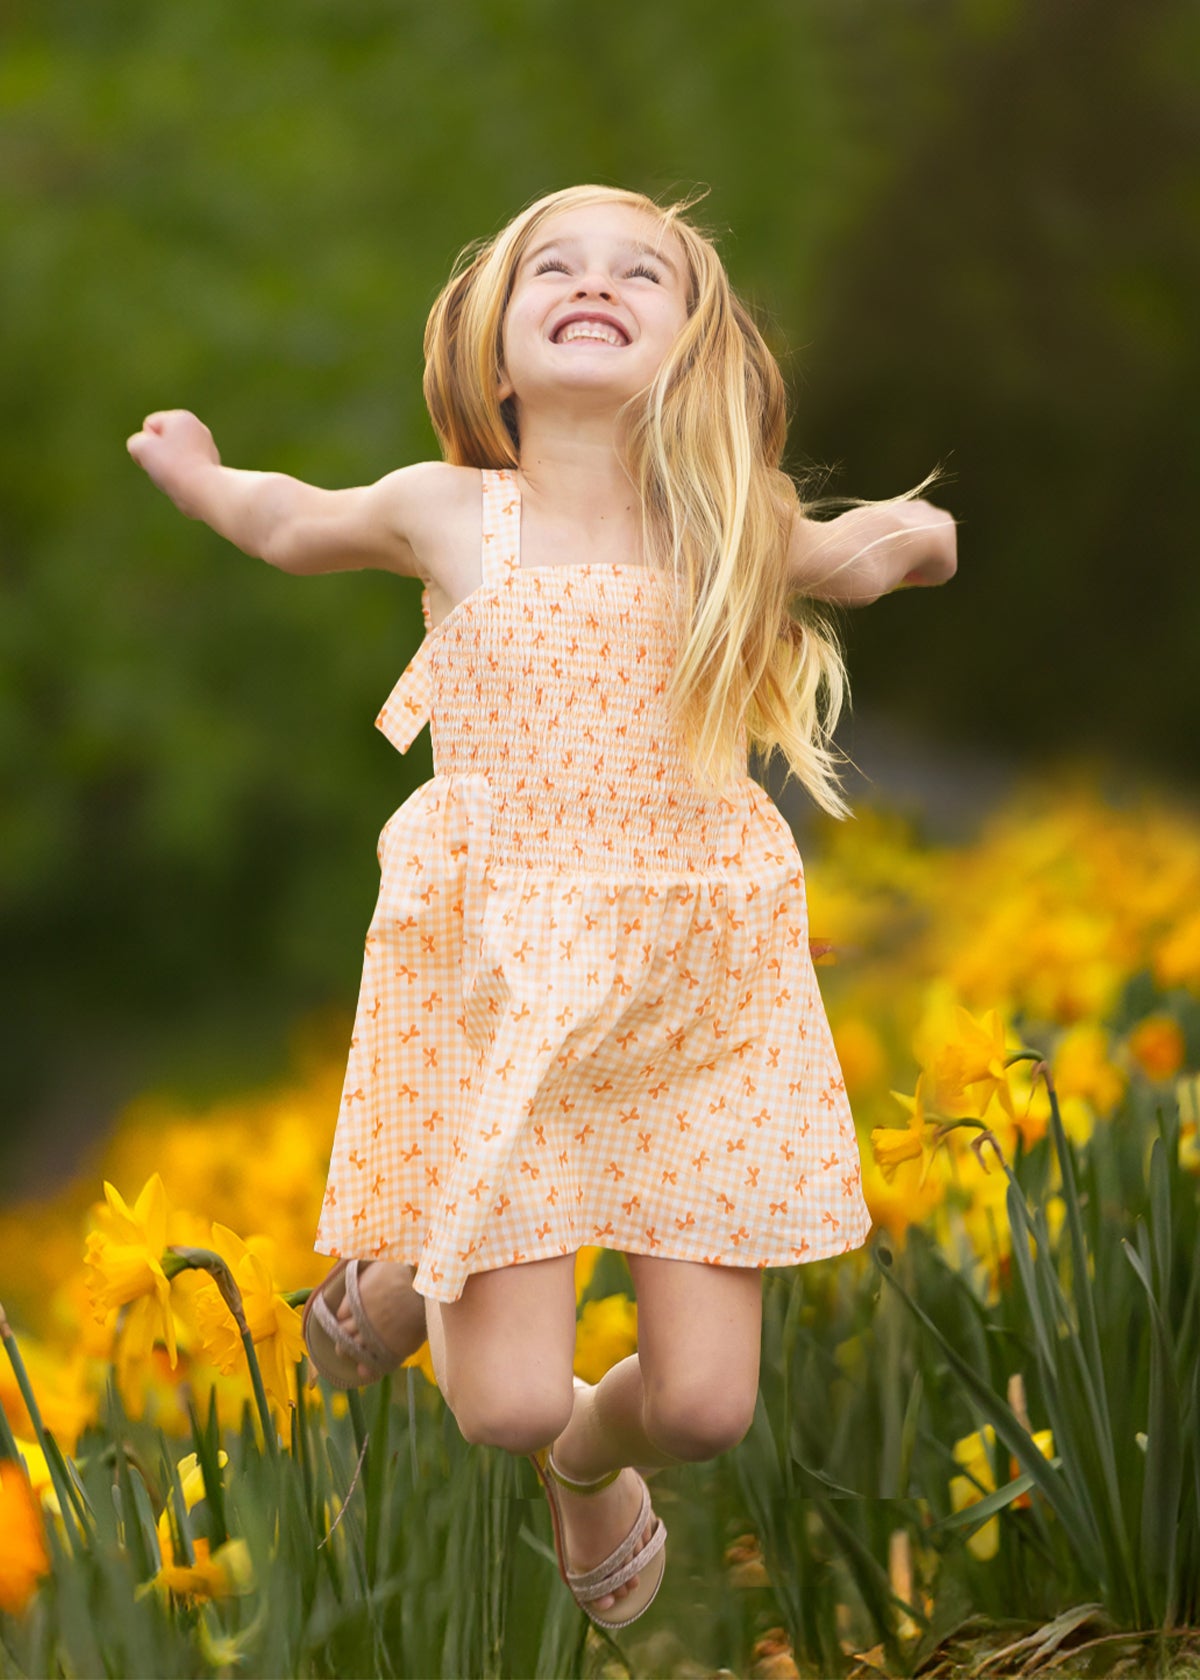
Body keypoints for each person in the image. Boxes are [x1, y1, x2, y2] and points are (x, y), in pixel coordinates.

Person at [127, 183, 956, 1629]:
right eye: (554, 268)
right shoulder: (450, 511)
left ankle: (586, 1459)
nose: (596, 281)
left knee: (702, 1407)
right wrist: (198, 471)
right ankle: (421, 1269)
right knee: (500, 1401)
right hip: (505, 971)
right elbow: (289, 522)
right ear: (494, 355)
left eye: (643, 272)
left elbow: (868, 554)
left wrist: (922, 531)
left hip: (696, 986)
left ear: (690, 349)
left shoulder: (729, 526)